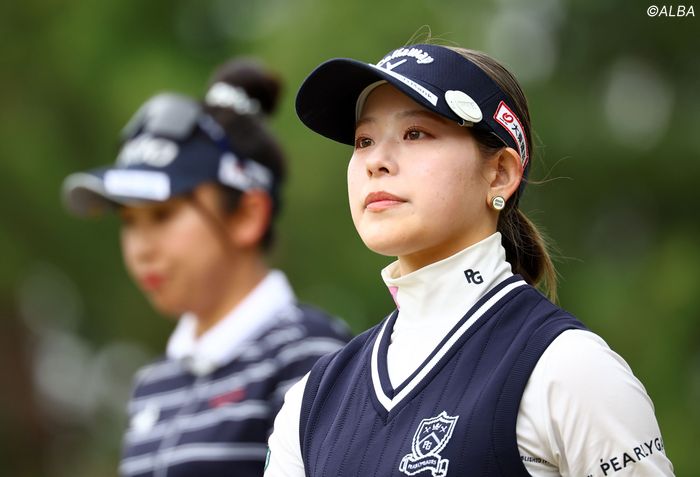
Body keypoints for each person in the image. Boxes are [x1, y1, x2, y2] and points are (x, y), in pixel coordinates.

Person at [264, 43, 674, 476]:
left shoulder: (570, 369)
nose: (376, 162)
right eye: (364, 140)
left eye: (415, 133)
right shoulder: (310, 401)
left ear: (500, 173)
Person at [61, 58, 351, 477]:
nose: (140, 249)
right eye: (128, 221)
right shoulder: (152, 385)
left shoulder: (312, 357)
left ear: (247, 215)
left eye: (162, 214)